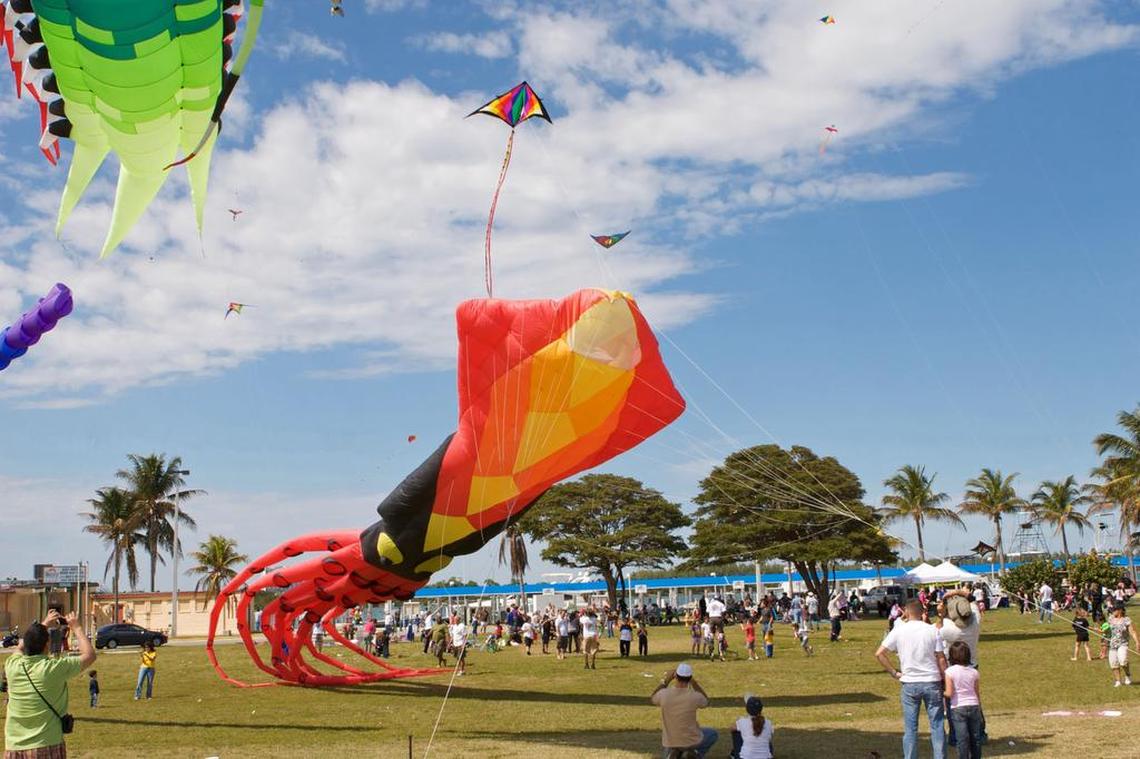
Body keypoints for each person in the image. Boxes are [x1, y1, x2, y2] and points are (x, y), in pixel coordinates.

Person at [4, 610, 96, 757]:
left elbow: (21, 647)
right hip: (46, 744)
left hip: (14, 746)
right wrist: (76, 627)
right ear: (47, 644)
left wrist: (43, 625)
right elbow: (90, 655)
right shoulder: (53, 668)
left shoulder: (12, 665)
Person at [874, 600, 948, 759]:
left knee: (911, 728)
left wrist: (894, 672)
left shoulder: (899, 630)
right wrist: (946, 679)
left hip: (909, 682)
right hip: (931, 681)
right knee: (937, 725)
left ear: (906, 612)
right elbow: (941, 659)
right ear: (923, 612)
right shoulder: (932, 630)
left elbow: (880, 653)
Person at [650, 663, 717, 758]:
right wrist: (694, 683)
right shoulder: (694, 696)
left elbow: (653, 698)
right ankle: (695, 754)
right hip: (691, 740)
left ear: (676, 677)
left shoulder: (664, 694)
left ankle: (676, 753)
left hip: (671, 742)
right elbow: (705, 701)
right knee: (712, 733)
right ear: (689, 678)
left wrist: (666, 680)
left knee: (671, 750)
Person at [943, 642, 983, 759]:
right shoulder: (974, 672)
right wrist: (979, 707)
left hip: (958, 707)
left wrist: (941, 692)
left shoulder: (950, 672)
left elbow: (949, 693)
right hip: (974, 705)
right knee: (975, 737)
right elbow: (976, 692)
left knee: (962, 739)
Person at [729, 695, 773, 759]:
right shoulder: (768, 722)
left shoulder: (742, 721)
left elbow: (731, 728)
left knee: (736, 732)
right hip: (765, 757)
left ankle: (734, 753)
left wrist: (739, 721)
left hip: (745, 757)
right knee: (765, 736)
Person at [1107, 604, 1139, 687]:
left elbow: (1132, 632)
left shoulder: (1126, 620)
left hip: (1123, 643)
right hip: (1112, 644)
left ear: (1120, 610)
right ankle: (1118, 681)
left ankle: (1128, 676)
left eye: (1114, 609)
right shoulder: (1110, 618)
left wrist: (1137, 642)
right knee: (1113, 663)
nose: (1113, 611)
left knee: (1123, 661)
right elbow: (1107, 629)